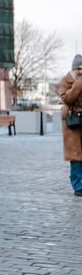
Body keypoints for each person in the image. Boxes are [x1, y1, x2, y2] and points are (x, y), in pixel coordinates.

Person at [59, 54, 82, 196]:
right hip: (72, 122)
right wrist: (77, 86)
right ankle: (78, 186)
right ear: (73, 69)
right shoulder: (65, 81)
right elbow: (66, 99)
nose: (80, 71)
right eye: (78, 68)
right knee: (76, 156)